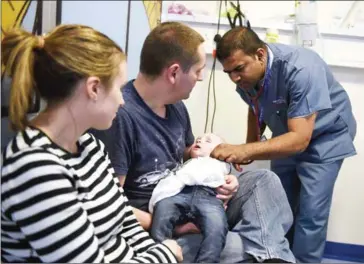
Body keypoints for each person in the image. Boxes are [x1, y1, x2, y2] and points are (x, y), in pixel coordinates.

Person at [91, 21, 296, 263]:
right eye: (198, 70)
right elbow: (110, 206)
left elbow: (187, 154)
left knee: (265, 180)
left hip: (197, 198)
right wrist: (172, 225)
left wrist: (223, 177)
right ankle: (269, 253)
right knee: (241, 244)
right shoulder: (121, 117)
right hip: (160, 224)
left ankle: (269, 254)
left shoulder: (176, 105)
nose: (201, 78)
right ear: (174, 73)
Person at [1, 24, 182, 263]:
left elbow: (124, 221)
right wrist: (166, 254)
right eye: (118, 88)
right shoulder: (34, 167)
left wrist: (156, 251)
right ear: (94, 88)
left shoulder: (89, 145)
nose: (122, 101)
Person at [211, 26, 357, 263]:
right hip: (288, 134)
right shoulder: (246, 75)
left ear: (260, 55)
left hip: (325, 138)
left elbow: (300, 140)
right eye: (228, 72)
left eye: (238, 69)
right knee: (281, 206)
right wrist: (252, 144)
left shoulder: (301, 68)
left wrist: (244, 149)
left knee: (310, 215)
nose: (234, 78)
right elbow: (255, 105)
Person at [150, 133, 230, 263]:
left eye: (207, 141)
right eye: (199, 139)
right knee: (162, 209)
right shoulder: (186, 163)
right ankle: (159, 255)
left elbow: (228, 177)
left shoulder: (220, 164)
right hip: (180, 192)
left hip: (208, 196)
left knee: (218, 226)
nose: (200, 140)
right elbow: (172, 180)